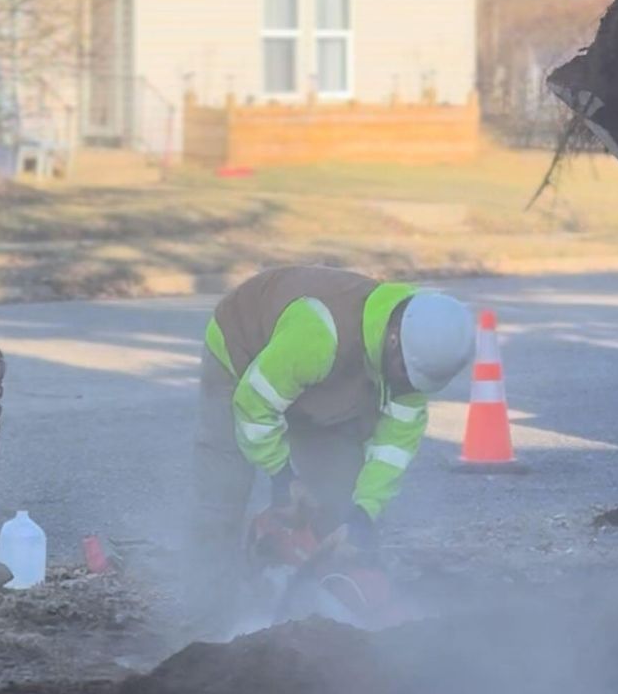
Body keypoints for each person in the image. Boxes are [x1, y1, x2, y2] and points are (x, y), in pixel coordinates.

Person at [186, 265, 473, 632]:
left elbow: (391, 452)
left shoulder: (412, 364)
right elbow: (254, 406)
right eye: (405, 374)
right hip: (242, 357)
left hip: (321, 375)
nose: (410, 386)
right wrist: (281, 477)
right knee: (220, 498)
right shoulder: (319, 333)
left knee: (339, 501)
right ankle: (205, 624)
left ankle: (330, 615)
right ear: (393, 339)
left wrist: (363, 516)